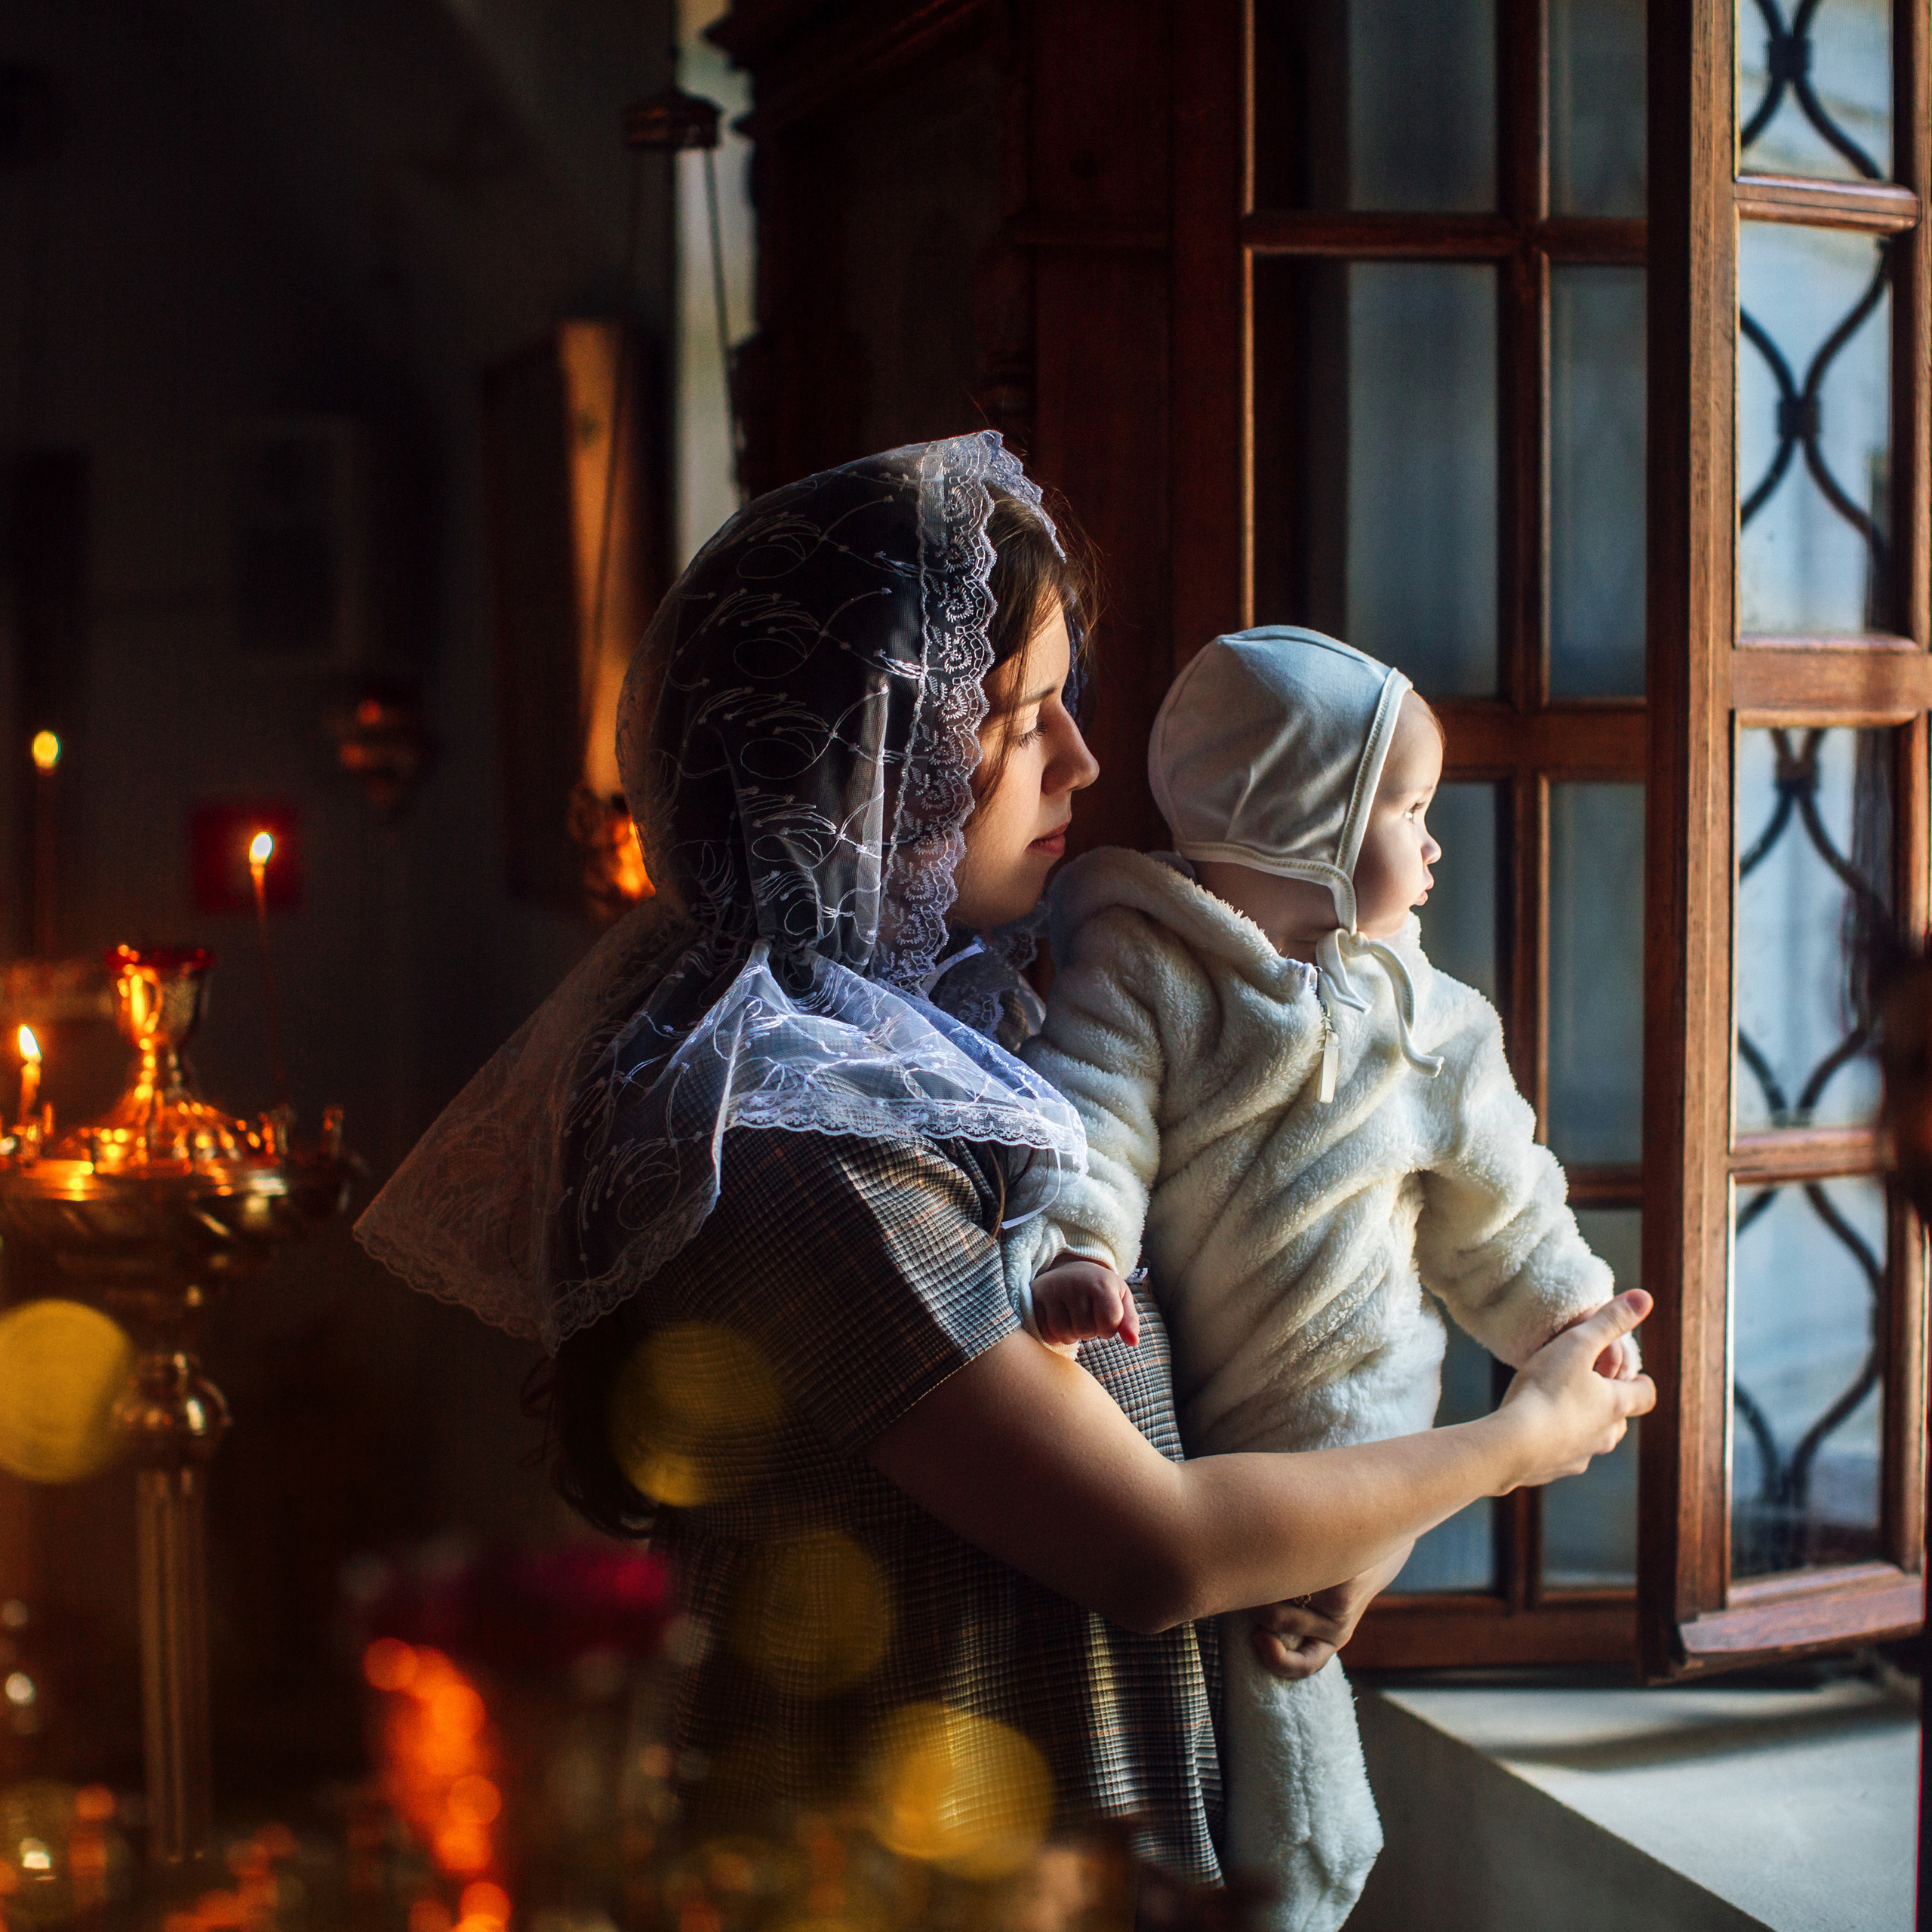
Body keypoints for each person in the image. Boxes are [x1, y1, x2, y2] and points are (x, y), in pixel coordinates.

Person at [356, 443, 1653, 1894]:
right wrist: (1513, 1448)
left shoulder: (980, 1033)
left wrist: (1363, 1526)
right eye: (1027, 717)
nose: (1086, 766)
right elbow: (1154, 1550)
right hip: (897, 1879)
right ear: (876, 756)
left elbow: (1247, 1344)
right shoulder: (801, 1149)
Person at [1006, 627, 1640, 1930]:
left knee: (1293, 1690)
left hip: (1364, 1417)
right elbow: (1090, 1117)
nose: (1435, 843)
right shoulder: (1144, 970)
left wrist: (1570, 1320)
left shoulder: (1436, 1026)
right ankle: (1268, 1887)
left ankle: (1303, 1876)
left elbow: (1501, 1208)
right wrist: (1076, 1246)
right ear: (1301, 827)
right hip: (1215, 1431)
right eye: (1407, 810)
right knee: (1252, 1682)